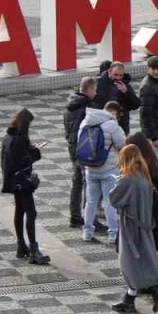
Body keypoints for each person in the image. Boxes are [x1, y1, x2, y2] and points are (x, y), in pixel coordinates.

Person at [109, 145, 158, 313]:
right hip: (144, 223)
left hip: (131, 226)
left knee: (129, 263)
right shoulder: (143, 175)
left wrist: (116, 180)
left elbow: (114, 198)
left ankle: (155, 289)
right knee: (143, 260)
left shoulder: (127, 178)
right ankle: (130, 299)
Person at [0, 108, 50, 264]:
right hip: (22, 181)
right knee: (31, 213)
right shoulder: (19, 139)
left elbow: (13, 158)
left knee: (20, 210)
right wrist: (36, 153)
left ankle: (21, 245)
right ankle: (34, 251)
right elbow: (22, 161)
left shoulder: (8, 137)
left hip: (14, 182)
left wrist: (31, 149)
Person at [79, 99, 126, 244]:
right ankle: (113, 233)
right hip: (109, 169)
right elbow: (122, 145)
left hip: (90, 167)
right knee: (109, 202)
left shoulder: (85, 122)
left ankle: (87, 232)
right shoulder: (112, 125)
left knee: (91, 201)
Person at [64, 77, 96, 228]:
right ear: (89, 89)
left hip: (72, 148)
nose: (95, 93)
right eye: (94, 90)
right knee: (89, 184)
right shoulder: (88, 107)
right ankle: (90, 220)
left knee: (76, 183)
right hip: (84, 150)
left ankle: (75, 216)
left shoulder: (69, 104)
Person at [137, 56, 158, 182]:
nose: (156, 72)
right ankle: (156, 194)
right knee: (157, 166)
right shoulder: (148, 86)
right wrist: (153, 137)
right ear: (148, 68)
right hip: (155, 133)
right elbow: (146, 114)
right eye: (153, 69)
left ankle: (157, 193)